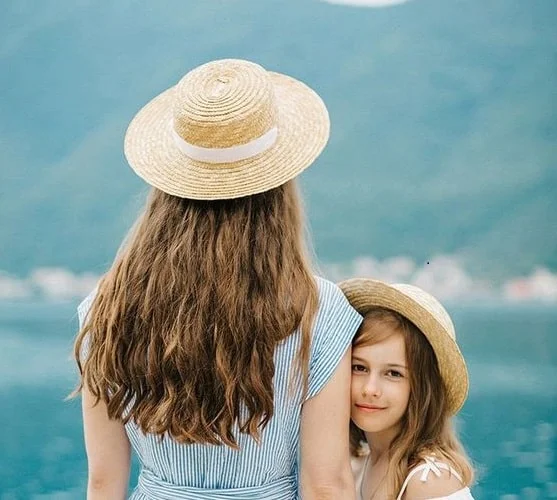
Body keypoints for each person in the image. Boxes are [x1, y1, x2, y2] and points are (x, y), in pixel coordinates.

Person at [72, 58, 362, 500]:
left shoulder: (105, 308)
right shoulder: (317, 309)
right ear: (278, 189)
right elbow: (326, 483)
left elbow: (104, 480)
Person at [338, 278, 475, 500]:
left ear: (421, 389)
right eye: (359, 367)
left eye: (393, 373)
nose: (370, 389)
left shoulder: (430, 481)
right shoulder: (357, 463)